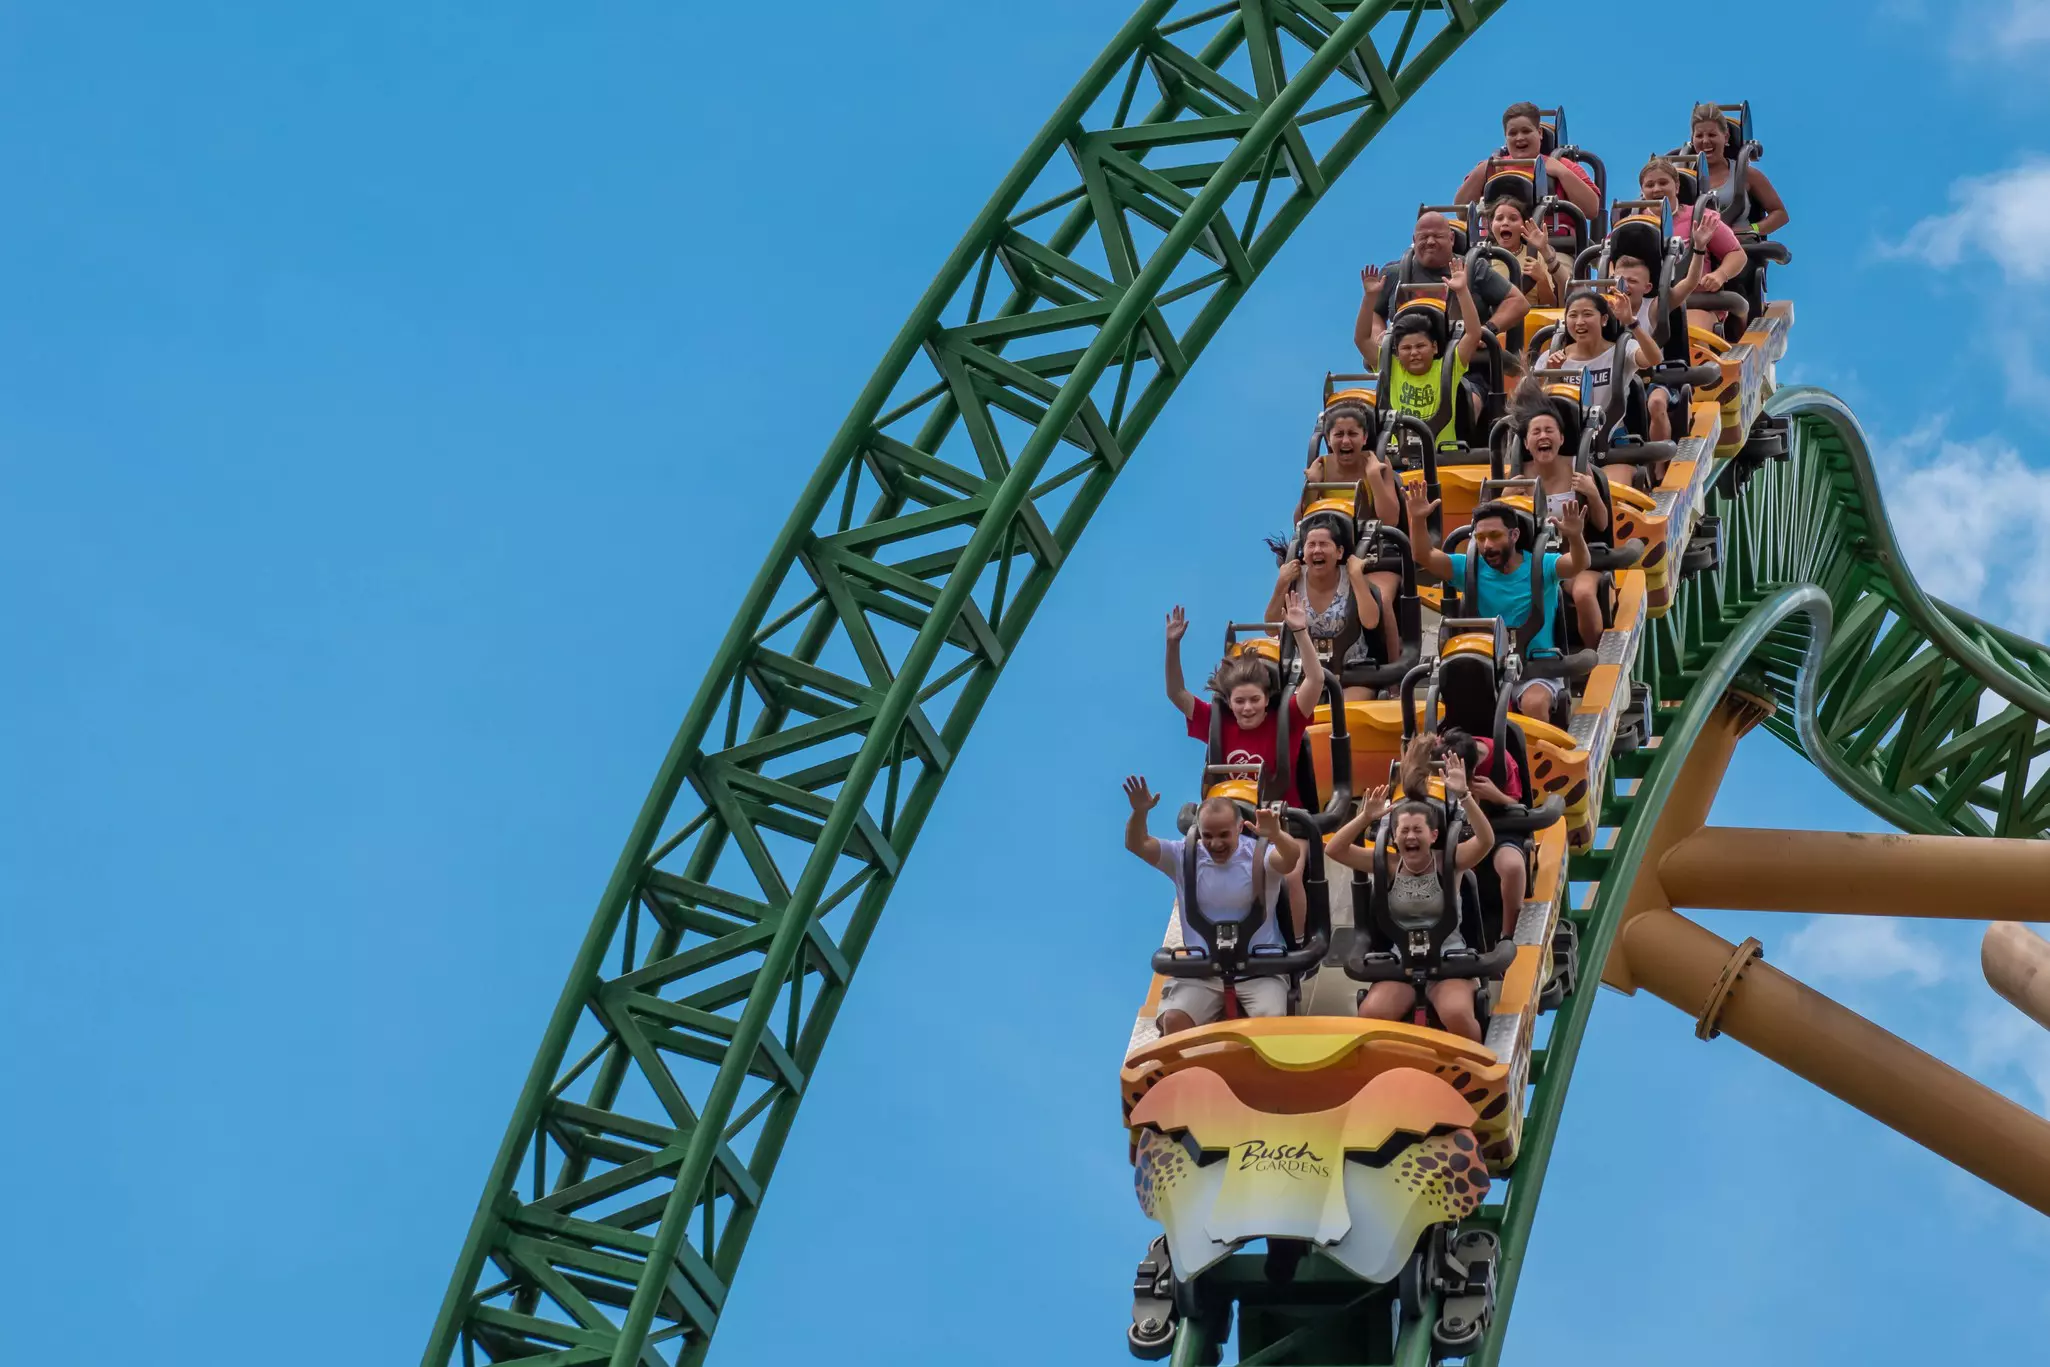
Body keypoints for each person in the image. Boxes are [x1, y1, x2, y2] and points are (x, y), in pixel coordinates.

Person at [1322, 747, 1495, 1042]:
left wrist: (1464, 795)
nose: (1410, 837)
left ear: (1433, 836)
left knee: (1456, 1014)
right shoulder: (1388, 865)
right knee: (1371, 1014)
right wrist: (1365, 817)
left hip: (1449, 961)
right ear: (1394, 836)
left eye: (1418, 830)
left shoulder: (1450, 863)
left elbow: (1486, 840)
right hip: (1402, 961)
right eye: (1404, 831)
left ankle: (1479, 1068)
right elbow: (1334, 849)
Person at [1123, 777, 1303, 1034]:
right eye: (1208, 835)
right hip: (1203, 971)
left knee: (1271, 1029)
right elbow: (1137, 844)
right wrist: (1140, 812)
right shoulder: (1184, 857)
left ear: (1240, 828)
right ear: (1198, 830)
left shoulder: (1259, 855)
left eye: (1223, 835)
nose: (1216, 844)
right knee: (1174, 1021)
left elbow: (1290, 859)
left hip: (1260, 970)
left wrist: (1276, 834)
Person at [1404, 483, 1590, 720]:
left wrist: (1575, 536)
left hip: (1537, 671)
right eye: (1481, 538)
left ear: (1514, 535)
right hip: (1484, 669)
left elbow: (1578, 563)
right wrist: (1417, 519)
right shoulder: (1469, 568)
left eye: (1495, 536)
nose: (1487, 545)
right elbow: (1424, 555)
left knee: (1534, 703)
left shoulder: (1541, 565)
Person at [1165, 596, 1324, 786]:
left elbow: (1315, 680)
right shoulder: (1216, 721)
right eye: (1240, 701)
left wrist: (1300, 631)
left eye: (1255, 699)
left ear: (1266, 698)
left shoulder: (1288, 718)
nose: (1247, 707)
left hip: (1280, 811)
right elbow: (1177, 692)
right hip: (1232, 810)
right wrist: (1172, 645)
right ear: (1229, 703)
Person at [1509, 379, 1610, 649]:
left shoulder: (1579, 469)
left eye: (1549, 431)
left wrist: (1592, 493)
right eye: (1536, 432)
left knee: (1584, 593)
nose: (1543, 436)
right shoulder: (1519, 479)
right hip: (1536, 563)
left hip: (1579, 559)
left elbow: (1602, 523)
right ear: (1527, 443)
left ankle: (1593, 661)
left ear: (1562, 439)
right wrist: (1505, 500)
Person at [1356, 212, 1528, 361]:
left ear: (1451, 238)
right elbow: (1374, 312)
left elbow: (1518, 302)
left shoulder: (1473, 268)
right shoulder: (1394, 273)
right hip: (1407, 366)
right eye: (1423, 237)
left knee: (1470, 398)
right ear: (1414, 240)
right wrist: (1379, 335)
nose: (1430, 242)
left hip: (1465, 364)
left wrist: (1487, 329)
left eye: (1437, 236)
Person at [1267, 522, 1392, 691]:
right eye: (1311, 545)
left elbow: (1371, 622)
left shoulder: (1351, 577)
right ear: (1304, 553)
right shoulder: (1293, 581)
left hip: (1353, 673)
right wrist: (1281, 583)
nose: (1317, 550)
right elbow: (1271, 628)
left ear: (1339, 552)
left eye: (1324, 544)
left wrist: (1357, 576)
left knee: (1345, 714)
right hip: (1304, 674)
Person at [1539, 287, 1669, 444]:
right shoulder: (1552, 358)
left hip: (1612, 441)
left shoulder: (1623, 350)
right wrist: (1550, 376)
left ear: (1604, 319)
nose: (1580, 322)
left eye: (1587, 314)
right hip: (1567, 443)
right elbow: (1532, 402)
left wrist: (1632, 323)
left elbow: (1654, 358)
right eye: (1573, 315)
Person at [1435, 727, 1528, 940]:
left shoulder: (1499, 759)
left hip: (1498, 823)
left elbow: (1517, 803)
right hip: (1452, 830)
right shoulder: (1438, 755)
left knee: (1512, 866)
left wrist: (1496, 795)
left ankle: (1507, 936)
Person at [1452, 101, 1602, 227]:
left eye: (1526, 131)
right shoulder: (1492, 167)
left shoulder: (1563, 165)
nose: (1519, 138)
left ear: (1540, 133)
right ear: (1505, 137)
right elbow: (1461, 212)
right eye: (1513, 133)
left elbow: (1591, 210)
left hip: (1552, 248)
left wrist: (1562, 173)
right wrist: (1482, 170)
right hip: (1498, 250)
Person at [1638, 158, 1744, 332]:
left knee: (1689, 332)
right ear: (1642, 191)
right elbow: (1611, 257)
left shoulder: (1701, 216)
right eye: (1650, 185)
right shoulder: (1635, 223)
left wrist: (1720, 274)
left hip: (1696, 302)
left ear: (1677, 187)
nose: (1656, 189)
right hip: (1645, 306)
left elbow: (1737, 254)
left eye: (1663, 183)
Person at [1689, 102, 1788, 236]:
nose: (1705, 141)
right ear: (1692, 139)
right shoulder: (1682, 177)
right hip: (1697, 250)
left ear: (1726, 137)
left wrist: (1752, 229)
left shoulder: (1746, 174)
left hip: (1741, 247)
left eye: (1712, 135)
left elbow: (1780, 214)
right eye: (1699, 136)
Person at [1306, 398, 1403, 529]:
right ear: (1328, 439)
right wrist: (1312, 485)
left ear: (1364, 438)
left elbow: (1390, 521)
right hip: (1331, 540)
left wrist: (1374, 477)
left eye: (1352, 434)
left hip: (1370, 541)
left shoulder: (1379, 462)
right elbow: (1300, 523)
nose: (1346, 441)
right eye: (1339, 434)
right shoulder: (1320, 467)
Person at [1485, 195, 1568, 307]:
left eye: (1513, 219)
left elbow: (1551, 306)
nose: (1505, 223)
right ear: (1491, 225)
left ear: (1523, 225)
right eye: (1499, 218)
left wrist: (1542, 279)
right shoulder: (1483, 259)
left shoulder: (1536, 256)